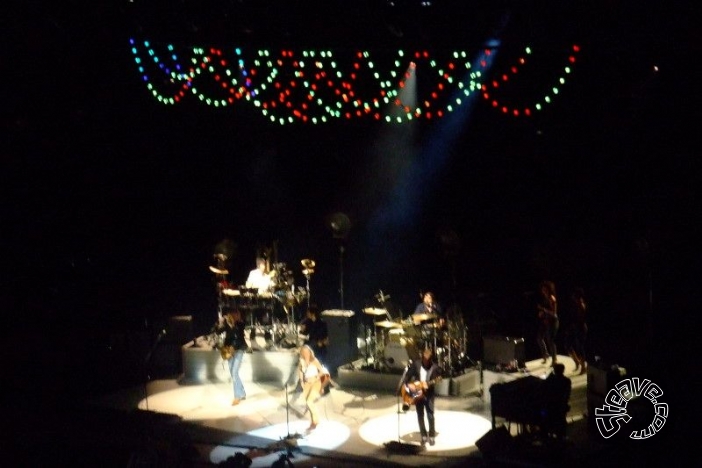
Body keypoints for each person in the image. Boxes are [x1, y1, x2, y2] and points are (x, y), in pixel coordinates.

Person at [402, 347, 441, 446]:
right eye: (424, 360)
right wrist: (408, 384)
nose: (426, 362)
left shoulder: (434, 367)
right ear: (422, 358)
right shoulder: (417, 364)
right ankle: (423, 436)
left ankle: (431, 436)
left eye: (428, 360)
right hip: (418, 394)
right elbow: (408, 375)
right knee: (420, 415)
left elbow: (437, 379)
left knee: (430, 416)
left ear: (430, 360)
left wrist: (429, 384)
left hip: (429, 395)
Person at [214, 308, 248, 405]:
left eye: (234, 314)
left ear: (238, 314)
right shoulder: (227, 323)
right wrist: (219, 323)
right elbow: (218, 331)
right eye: (231, 314)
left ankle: (237, 396)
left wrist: (231, 323)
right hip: (228, 349)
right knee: (233, 373)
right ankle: (242, 392)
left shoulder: (240, 323)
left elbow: (237, 332)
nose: (232, 316)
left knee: (234, 372)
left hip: (238, 349)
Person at [298, 344, 327, 431]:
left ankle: (315, 421)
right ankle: (312, 422)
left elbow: (322, 372)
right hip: (307, 383)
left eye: (307, 352)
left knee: (309, 401)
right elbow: (300, 372)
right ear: (302, 353)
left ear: (310, 352)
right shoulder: (301, 361)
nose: (306, 353)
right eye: (304, 352)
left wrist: (315, 378)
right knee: (308, 403)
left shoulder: (314, 360)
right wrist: (301, 382)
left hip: (315, 382)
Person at [541, 362, 571, 438]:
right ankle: (561, 437)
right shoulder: (567, 380)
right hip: (561, 405)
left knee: (551, 420)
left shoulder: (552, 379)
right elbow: (567, 394)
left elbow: (544, 386)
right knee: (561, 421)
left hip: (553, 405)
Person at [536, 280, 559, 366]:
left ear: (549, 290)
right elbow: (546, 311)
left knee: (551, 341)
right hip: (546, 321)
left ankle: (554, 360)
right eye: (543, 289)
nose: (543, 291)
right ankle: (545, 354)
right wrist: (541, 313)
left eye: (545, 289)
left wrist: (543, 310)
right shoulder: (545, 298)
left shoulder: (552, 298)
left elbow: (554, 313)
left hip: (553, 322)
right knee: (539, 338)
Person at [566, 287, 588, 374]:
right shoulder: (576, 304)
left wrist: (574, 326)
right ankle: (577, 362)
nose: (572, 297)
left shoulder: (581, 305)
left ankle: (583, 367)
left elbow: (581, 319)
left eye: (574, 296)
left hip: (580, 328)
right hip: (575, 327)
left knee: (580, 348)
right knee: (568, 345)